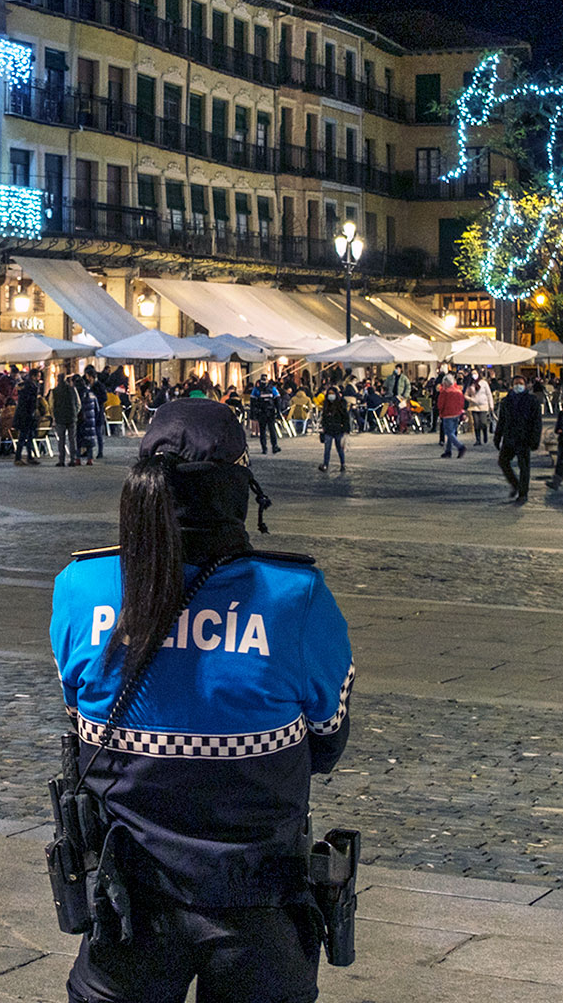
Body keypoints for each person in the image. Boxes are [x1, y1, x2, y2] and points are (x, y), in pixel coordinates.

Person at [47, 398, 352, 1003]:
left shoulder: (81, 587)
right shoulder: (296, 598)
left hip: (127, 908)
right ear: (238, 484)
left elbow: (83, 728)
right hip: (258, 907)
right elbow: (326, 743)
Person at [495, 376, 541, 503]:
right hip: (510, 437)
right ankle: (515, 484)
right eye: (516, 384)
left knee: (524, 466)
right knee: (503, 461)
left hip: (524, 438)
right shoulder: (506, 401)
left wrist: (535, 439)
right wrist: (497, 436)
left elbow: (537, 422)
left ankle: (523, 493)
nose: (518, 386)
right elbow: (502, 420)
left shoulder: (532, 401)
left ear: (526, 386)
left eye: (520, 383)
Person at [14, 369, 44, 466]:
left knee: (30, 436)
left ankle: (29, 457)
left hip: (27, 415)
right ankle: (18, 458)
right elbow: (29, 401)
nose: (39, 378)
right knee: (23, 437)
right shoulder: (29, 386)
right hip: (26, 415)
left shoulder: (28, 385)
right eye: (38, 376)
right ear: (33, 376)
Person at [317, 383, 350, 472]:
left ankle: (343, 464)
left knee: (339, 449)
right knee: (327, 448)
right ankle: (325, 464)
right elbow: (324, 417)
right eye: (329, 394)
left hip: (339, 429)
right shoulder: (326, 404)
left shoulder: (341, 404)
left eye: (332, 394)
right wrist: (323, 427)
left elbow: (345, 417)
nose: (331, 396)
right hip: (328, 429)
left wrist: (346, 429)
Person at [52, 371, 81, 467]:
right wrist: (75, 413)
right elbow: (78, 403)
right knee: (72, 439)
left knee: (61, 440)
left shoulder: (55, 391)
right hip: (72, 417)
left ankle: (61, 460)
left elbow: (51, 405)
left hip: (60, 418)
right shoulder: (72, 389)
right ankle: (73, 459)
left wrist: (54, 417)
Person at [437, 372, 466, 459]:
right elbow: (462, 403)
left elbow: (440, 404)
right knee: (452, 433)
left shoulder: (445, 392)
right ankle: (448, 451)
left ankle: (460, 446)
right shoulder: (458, 391)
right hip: (457, 413)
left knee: (449, 433)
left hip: (447, 414)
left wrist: (440, 411)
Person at [248, 378, 281, 456]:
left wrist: (252, 413)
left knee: (262, 430)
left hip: (261, 412)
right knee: (272, 429)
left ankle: (264, 448)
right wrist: (278, 411)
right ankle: (274, 446)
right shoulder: (272, 389)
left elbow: (252, 402)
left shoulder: (256, 390)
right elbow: (278, 400)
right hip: (270, 412)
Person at [467, 374, 494, 446]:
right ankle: (478, 440)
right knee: (476, 423)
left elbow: (489, 394)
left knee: (483, 422)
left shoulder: (484, 383)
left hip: (483, 406)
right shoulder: (470, 383)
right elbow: (466, 394)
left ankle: (485, 434)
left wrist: (491, 405)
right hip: (474, 406)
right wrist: (471, 399)